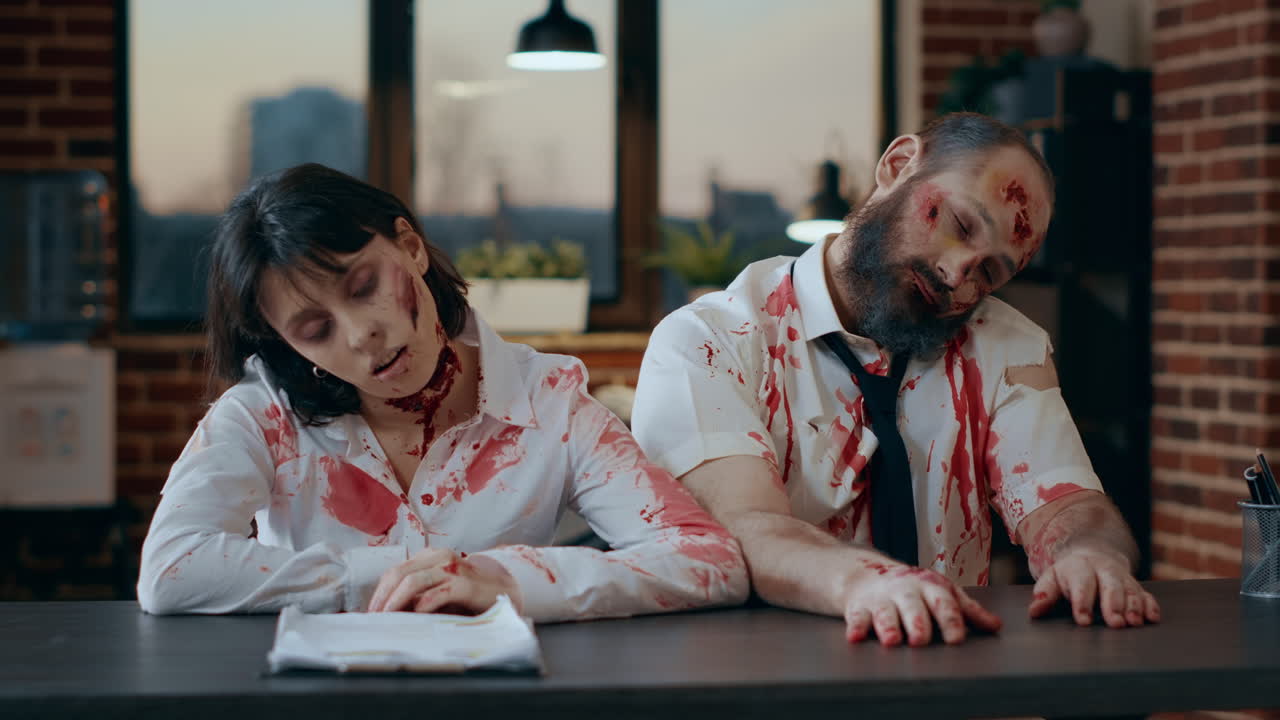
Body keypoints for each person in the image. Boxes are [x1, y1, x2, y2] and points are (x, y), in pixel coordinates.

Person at [631, 112, 1159, 647]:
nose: (956, 275)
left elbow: (1067, 507)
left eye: (989, 272)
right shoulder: (709, 341)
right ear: (898, 164)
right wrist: (869, 582)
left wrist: (1090, 555)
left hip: (947, 669)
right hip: (762, 673)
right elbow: (745, 526)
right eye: (960, 225)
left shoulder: (1004, 348)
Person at [137, 163, 747, 620]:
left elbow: (708, 560)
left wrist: (505, 579)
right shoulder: (262, 414)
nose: (361, 334)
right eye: (316, 331)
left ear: (410, 246)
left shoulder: (547, 400)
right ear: (288, 345)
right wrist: (382, 576)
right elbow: (170, 569)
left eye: (363, 287)